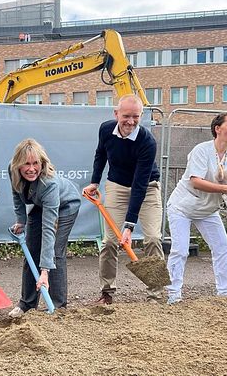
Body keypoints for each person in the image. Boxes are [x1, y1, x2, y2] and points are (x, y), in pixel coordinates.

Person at [165, 112, 227, 305]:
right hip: (182, 207)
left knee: (223, 248)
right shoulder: (201, 150)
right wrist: (225, 189)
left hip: (208, 210)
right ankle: (173, 294)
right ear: (217, 129)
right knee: (180, 250)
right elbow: (196, 182)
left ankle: (225, 292)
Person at [83, 95, 163, 305]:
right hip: (117, 186)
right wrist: (94, 181)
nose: (130, 121)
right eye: (126, 116)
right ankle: (107, 293)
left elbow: (138, 186)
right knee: (109, 241)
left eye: (135, 116)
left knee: (153, 238)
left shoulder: (147, 142)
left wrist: (129, 226)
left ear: (141, 116)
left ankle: (156, 293)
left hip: (147, 189)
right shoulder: (106, 129)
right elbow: (100, 154)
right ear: (116, 114)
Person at [7, 138, 81, 318]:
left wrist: (45, 272)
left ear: (42, 163)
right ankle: (26, 304)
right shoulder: (13, 169)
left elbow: (48, 229)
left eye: (35, 163)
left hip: (65, 206)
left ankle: (57, 306)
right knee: (31, 251)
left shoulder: (50, 183)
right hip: (39, 205)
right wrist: (21, 220)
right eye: (26, 164)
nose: (31, 168)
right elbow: (17, 195)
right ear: (18, 164)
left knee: (54, 251)